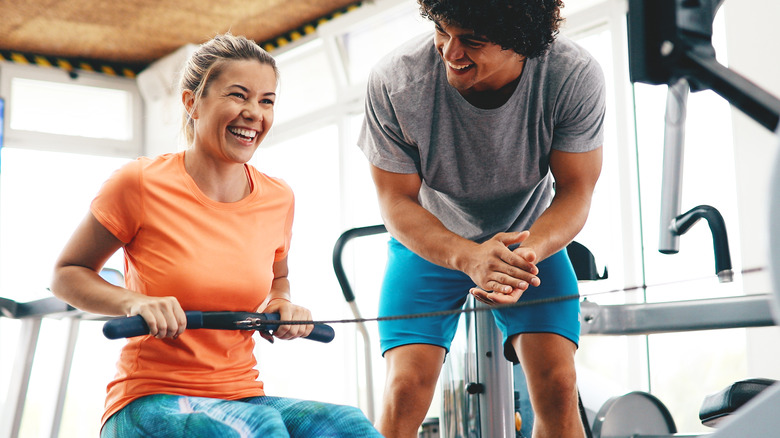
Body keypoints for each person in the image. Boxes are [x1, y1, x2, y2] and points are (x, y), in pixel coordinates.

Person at [51, 33, 381, 438]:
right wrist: (134, 302)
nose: (253, 113)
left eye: (266, 101)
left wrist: (282, 303)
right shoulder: (138, 183)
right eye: (238, 96)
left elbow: (278, 277)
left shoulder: (278, 198)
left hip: (241, 394)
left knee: (348, 425)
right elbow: (67, 272)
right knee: (256, 427)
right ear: (192, 102)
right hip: (149, 399)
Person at [358, 0, 605, 437]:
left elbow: (575, 191)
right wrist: (467, 257)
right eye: (441, 30)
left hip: (530, 243)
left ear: (521, 43)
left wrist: (521, 256)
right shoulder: (396, 81)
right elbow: (395, 202)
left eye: (472, 41)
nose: (450, 51)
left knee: (560, 387)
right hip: (431, 243)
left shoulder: (572, 75)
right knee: (405, 389)